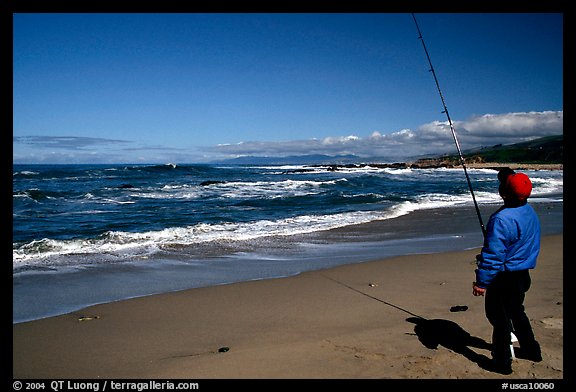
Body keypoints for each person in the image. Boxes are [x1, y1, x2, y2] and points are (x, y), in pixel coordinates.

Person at [472, 168, 543, 375]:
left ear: (504, 193)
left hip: (503, 277)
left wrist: (482, 282)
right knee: (516, 311)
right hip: (522, 275)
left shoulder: (501, 219)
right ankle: (532, 350)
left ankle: (502, 363)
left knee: (499, 319)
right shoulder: (528, 211)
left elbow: (493, 256)